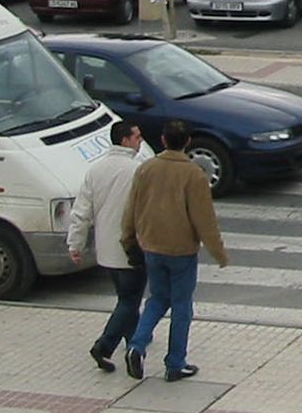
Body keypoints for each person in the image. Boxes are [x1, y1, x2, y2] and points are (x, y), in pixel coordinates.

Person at [121, 119, 230, 382]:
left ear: (163, 140)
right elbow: (204, 219)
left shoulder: (146, 169)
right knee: (181, 305)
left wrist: (128, 240)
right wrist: (218, 253)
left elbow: (131, 209)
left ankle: (136, 346)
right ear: (188, 142)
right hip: (181, 250)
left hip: (151, 246)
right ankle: (175, 363)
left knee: (157, 299)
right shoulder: (193, 175)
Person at [66, 120, 146, 372]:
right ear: (124, 140)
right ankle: (104, 345)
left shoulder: (95, 170)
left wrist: (75, 244)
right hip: (130, 247)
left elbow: (81, 213)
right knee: (130, 300)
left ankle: (134, 339)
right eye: (137, 137)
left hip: (106, 250)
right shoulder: (137, 170)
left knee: (125, 297)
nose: (140, 141)